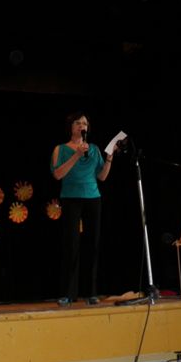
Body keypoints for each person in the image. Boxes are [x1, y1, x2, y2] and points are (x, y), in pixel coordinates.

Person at [51, 111, 118, 307]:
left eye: (85, 123)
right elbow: (58, 174)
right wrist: (76, 155)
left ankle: (91, 293)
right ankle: (68, 293)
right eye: (78, 123)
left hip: (93, 198)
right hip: (71, 198)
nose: (82, 126)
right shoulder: (60, 149)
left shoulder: (94, 149)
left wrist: (109, 159)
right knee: (71, 245)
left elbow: (102, 177)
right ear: (71, 127)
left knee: (93, 245)